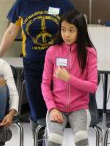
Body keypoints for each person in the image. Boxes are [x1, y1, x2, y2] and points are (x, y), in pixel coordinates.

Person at [0, 0, 74, 135]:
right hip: (32, 65)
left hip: (58, 67)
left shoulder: (64, 3)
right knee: (37, 112)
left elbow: (74, 34)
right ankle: (38, 141)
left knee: (55, 111)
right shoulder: (22, 2)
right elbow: (11, 32)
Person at [41, 9, 98, 146]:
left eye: (71, 30)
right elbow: (45, 84)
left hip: (79, 108)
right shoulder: (52, 51)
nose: (66, 34)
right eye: (63, 29)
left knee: (81, 139)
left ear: (80, 30)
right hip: (57, 107)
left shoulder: (89, 53)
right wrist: (52, 108)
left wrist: (69, 78)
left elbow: (93, 86)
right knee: (54, 140)